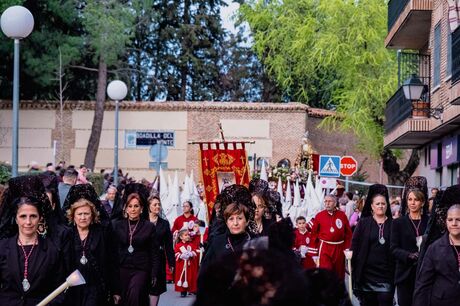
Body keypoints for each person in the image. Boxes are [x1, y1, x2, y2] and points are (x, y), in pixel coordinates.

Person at [0, 196, 66, 305]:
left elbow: (59, 288)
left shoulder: (52, 250)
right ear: (16, 219)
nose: (28, 222)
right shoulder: (2, 248)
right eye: (23, 216)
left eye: (33, 216)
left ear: (40, 218)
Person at [65, 198, 121, 306]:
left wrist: (116, 290)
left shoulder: (101, 233)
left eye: (86, 213)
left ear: (92, 215)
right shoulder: (67, 235)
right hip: (73, 288)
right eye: (79, 214)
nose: (83, 217)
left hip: (95, 286)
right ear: (73, 216)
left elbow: (112, 262)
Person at [112, 193, 160, 306]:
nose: (133, 209)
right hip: (122, 268)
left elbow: (154, 253)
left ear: (142, 208)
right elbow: (113, 250)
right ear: (125, 208)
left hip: (141, 268)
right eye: (130, 206)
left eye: (136, 206)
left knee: (135, 295)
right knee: (122, 299)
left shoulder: (149, 227)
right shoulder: (117, 225)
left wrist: (154, 273)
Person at [351, 184, 394, 306]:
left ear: (387, 206)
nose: (381, 206)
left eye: (383, 204)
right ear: (371, 206)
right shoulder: (364, 223)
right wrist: (350, 259)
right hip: (366, 275)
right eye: (377, 204)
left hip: (386, 275)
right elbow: (355, 243)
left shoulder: (394, 224)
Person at [391, 176, 429, 306]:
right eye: (410, 199)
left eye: (416, 200)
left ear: (422, 202)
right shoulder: (398, 223)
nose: (412, 203)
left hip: (425, 273)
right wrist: (409, 255)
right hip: (404, 274)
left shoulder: (429, 222)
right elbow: (393, 248)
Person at [413, 204, 460, 306]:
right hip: (442, 302)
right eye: (450, 219)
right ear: (445, 221)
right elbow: (423, 283)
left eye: (458, 219)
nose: (454, 223)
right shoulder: (434, 248)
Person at [200, 202, 252, 276]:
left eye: (239, 218)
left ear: (247, 221)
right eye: (231, 219)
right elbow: (204, 273)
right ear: (226, 223)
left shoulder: (257, 243)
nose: (235, 223)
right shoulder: (217, 243)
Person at [308, 194, 352, 280]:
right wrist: (314, 254)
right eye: (325, 201)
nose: (327, 203)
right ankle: (325, 292)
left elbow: (348, 233)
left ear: (335, 203)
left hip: (339, 248)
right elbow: (314, 235)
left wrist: (347, 248)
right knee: (326, 272)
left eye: (330, 201)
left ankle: (337, 292)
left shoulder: (342, 215)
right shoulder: (319, 216)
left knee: (338, 274)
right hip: (325, 248)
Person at [147, 195, 175, 306]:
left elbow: (168, 244)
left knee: (155, 287)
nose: (157, 206)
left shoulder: (164, 223)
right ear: (149, 206)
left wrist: (171, 262)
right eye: (155, 204)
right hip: (143, 258)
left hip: (158, 259)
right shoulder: (142, 221)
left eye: (159, 204)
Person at [174, 229, 199, 297]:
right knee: (182, 276)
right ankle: (183, 291)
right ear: (181, 237)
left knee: (191, 276)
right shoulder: (178, 245)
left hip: (190, 264)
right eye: (186, 235)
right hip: (181, 264)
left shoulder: (192, 244)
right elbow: (176, 253)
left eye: (188, 234)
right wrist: (181, 255)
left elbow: (195, 252)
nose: (188, 236)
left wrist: (191, 253)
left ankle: (192, 289)